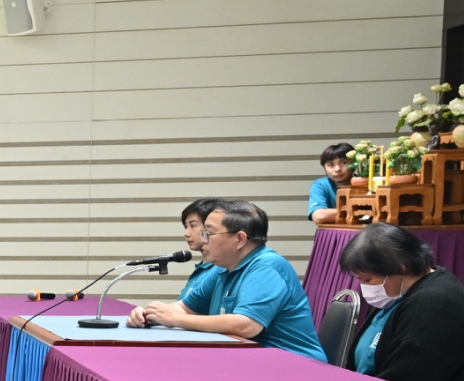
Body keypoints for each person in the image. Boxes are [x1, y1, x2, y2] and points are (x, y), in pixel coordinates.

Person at [127, 201, 326, 360]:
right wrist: (149, 314)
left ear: (240, 239)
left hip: (293, 365)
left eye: (209, 233)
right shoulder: (222, 268)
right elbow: (185, 308)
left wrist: (175, 320)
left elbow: (246, 325)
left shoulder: (267, 268)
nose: (203, 240)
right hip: (250, 361)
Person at [341, 223, 464, 381]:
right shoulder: (393, 294)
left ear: (400, 268)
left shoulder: (435, 306)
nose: (363, 287)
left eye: (367, 279)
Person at [176, 198, 226, 311]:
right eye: (186, 226)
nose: (186, 233)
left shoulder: (221, 268)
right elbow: (180, 309)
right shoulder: (201, 268)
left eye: (193, 226)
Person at [308, 142, 357, 224]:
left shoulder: (364, 183)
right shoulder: (320, 185)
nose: (337, 169)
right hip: (332, 232)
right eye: (331, 165)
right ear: (324, 168)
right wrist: (358, 213)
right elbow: (319, 216)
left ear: (354, 164)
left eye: (344, 162)